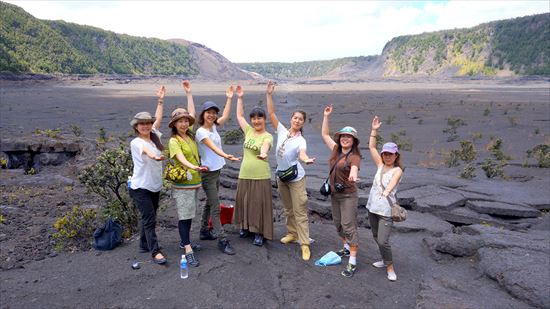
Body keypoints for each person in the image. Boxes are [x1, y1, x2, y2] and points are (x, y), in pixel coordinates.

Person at [184, 80, 240, 255]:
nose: (212, 115)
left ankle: (203, 231)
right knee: (215, 206)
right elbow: (212, 147)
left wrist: (229, 98)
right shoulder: (201, 132)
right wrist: (227, 155)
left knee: (209, 202)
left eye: (214, 113)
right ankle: (222, 240)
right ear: (203, 114)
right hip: (208, 173)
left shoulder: (214, 127)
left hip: (216, 171)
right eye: (209, 112)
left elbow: (225, 116)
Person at [265, 81, 315, 261]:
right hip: (281, 176)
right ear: (291, 119)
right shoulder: (282, 131)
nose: (297, 121)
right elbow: (271, 113)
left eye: (300, 119)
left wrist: (306, 159)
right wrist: (269, 94)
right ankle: (292, 234)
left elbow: (302, 153)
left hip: (296, 178)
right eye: (295, 118)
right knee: (288, 209)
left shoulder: (301, 141)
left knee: (299, 209)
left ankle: (304, 244)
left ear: (302, 123)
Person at [167, 81, 208, 267]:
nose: (184, 123)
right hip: (183, 184)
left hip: (194, 183)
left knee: (189, 214)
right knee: (184, 216)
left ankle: (186, 242)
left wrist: (189, 93)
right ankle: (188, 249)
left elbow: (191, 112)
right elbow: (180, 158)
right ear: (174, 124)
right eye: (180, 121)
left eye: (185, 121)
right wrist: (194, 167)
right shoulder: (174, 141)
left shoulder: (189, 134)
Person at [321, 104, 362, 278]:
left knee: (348, 225)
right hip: (335, 194)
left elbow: (354, 169)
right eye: (343, 136)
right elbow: (324, 134)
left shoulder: (354, 156)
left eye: (349, 137)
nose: (345, 139)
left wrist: (353, 176)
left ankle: (352, 262)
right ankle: (346, 248)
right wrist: (326, 116)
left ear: (353, 141)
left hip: (348, 196)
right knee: (338, 224)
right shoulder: (336, 150)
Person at [128, 86, 167, 265]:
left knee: (148, 217)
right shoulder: (136, 142)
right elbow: (146, 151)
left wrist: (160, 100)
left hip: (154, 185)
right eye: (142, 124)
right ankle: (155, 251)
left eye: (148, 123)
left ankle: (144, 243)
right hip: (140, 187)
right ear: (136, 127)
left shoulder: (154, 136)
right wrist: (155, 156)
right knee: (150, 219)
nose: (146, 126)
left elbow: (157, 118)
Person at [234, 84, 274, 246]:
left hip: (260, 175)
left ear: (264, 119)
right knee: (244, 201)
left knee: (258, 204)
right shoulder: (249, 131)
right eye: (254, 118)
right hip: (244, 173)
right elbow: (239, 116)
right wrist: (240, 97)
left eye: (259, 118)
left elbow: (265, 146)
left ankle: (259, 232)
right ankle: (244, 227)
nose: (256, 121)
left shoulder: (268, 135)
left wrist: (263, 153)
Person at [366, 116, 403, 281]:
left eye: (391, 154)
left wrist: (387, 191)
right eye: (385, 154)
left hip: (386, 211)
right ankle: (383, 259)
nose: (388, 156)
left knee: (383, 241)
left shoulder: (398, 170)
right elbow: (371, 146)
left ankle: (390, 267)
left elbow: (393, 183)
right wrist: (374, 130)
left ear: (396, 156)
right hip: (372, 208)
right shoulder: (380, 165)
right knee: (376, 237)